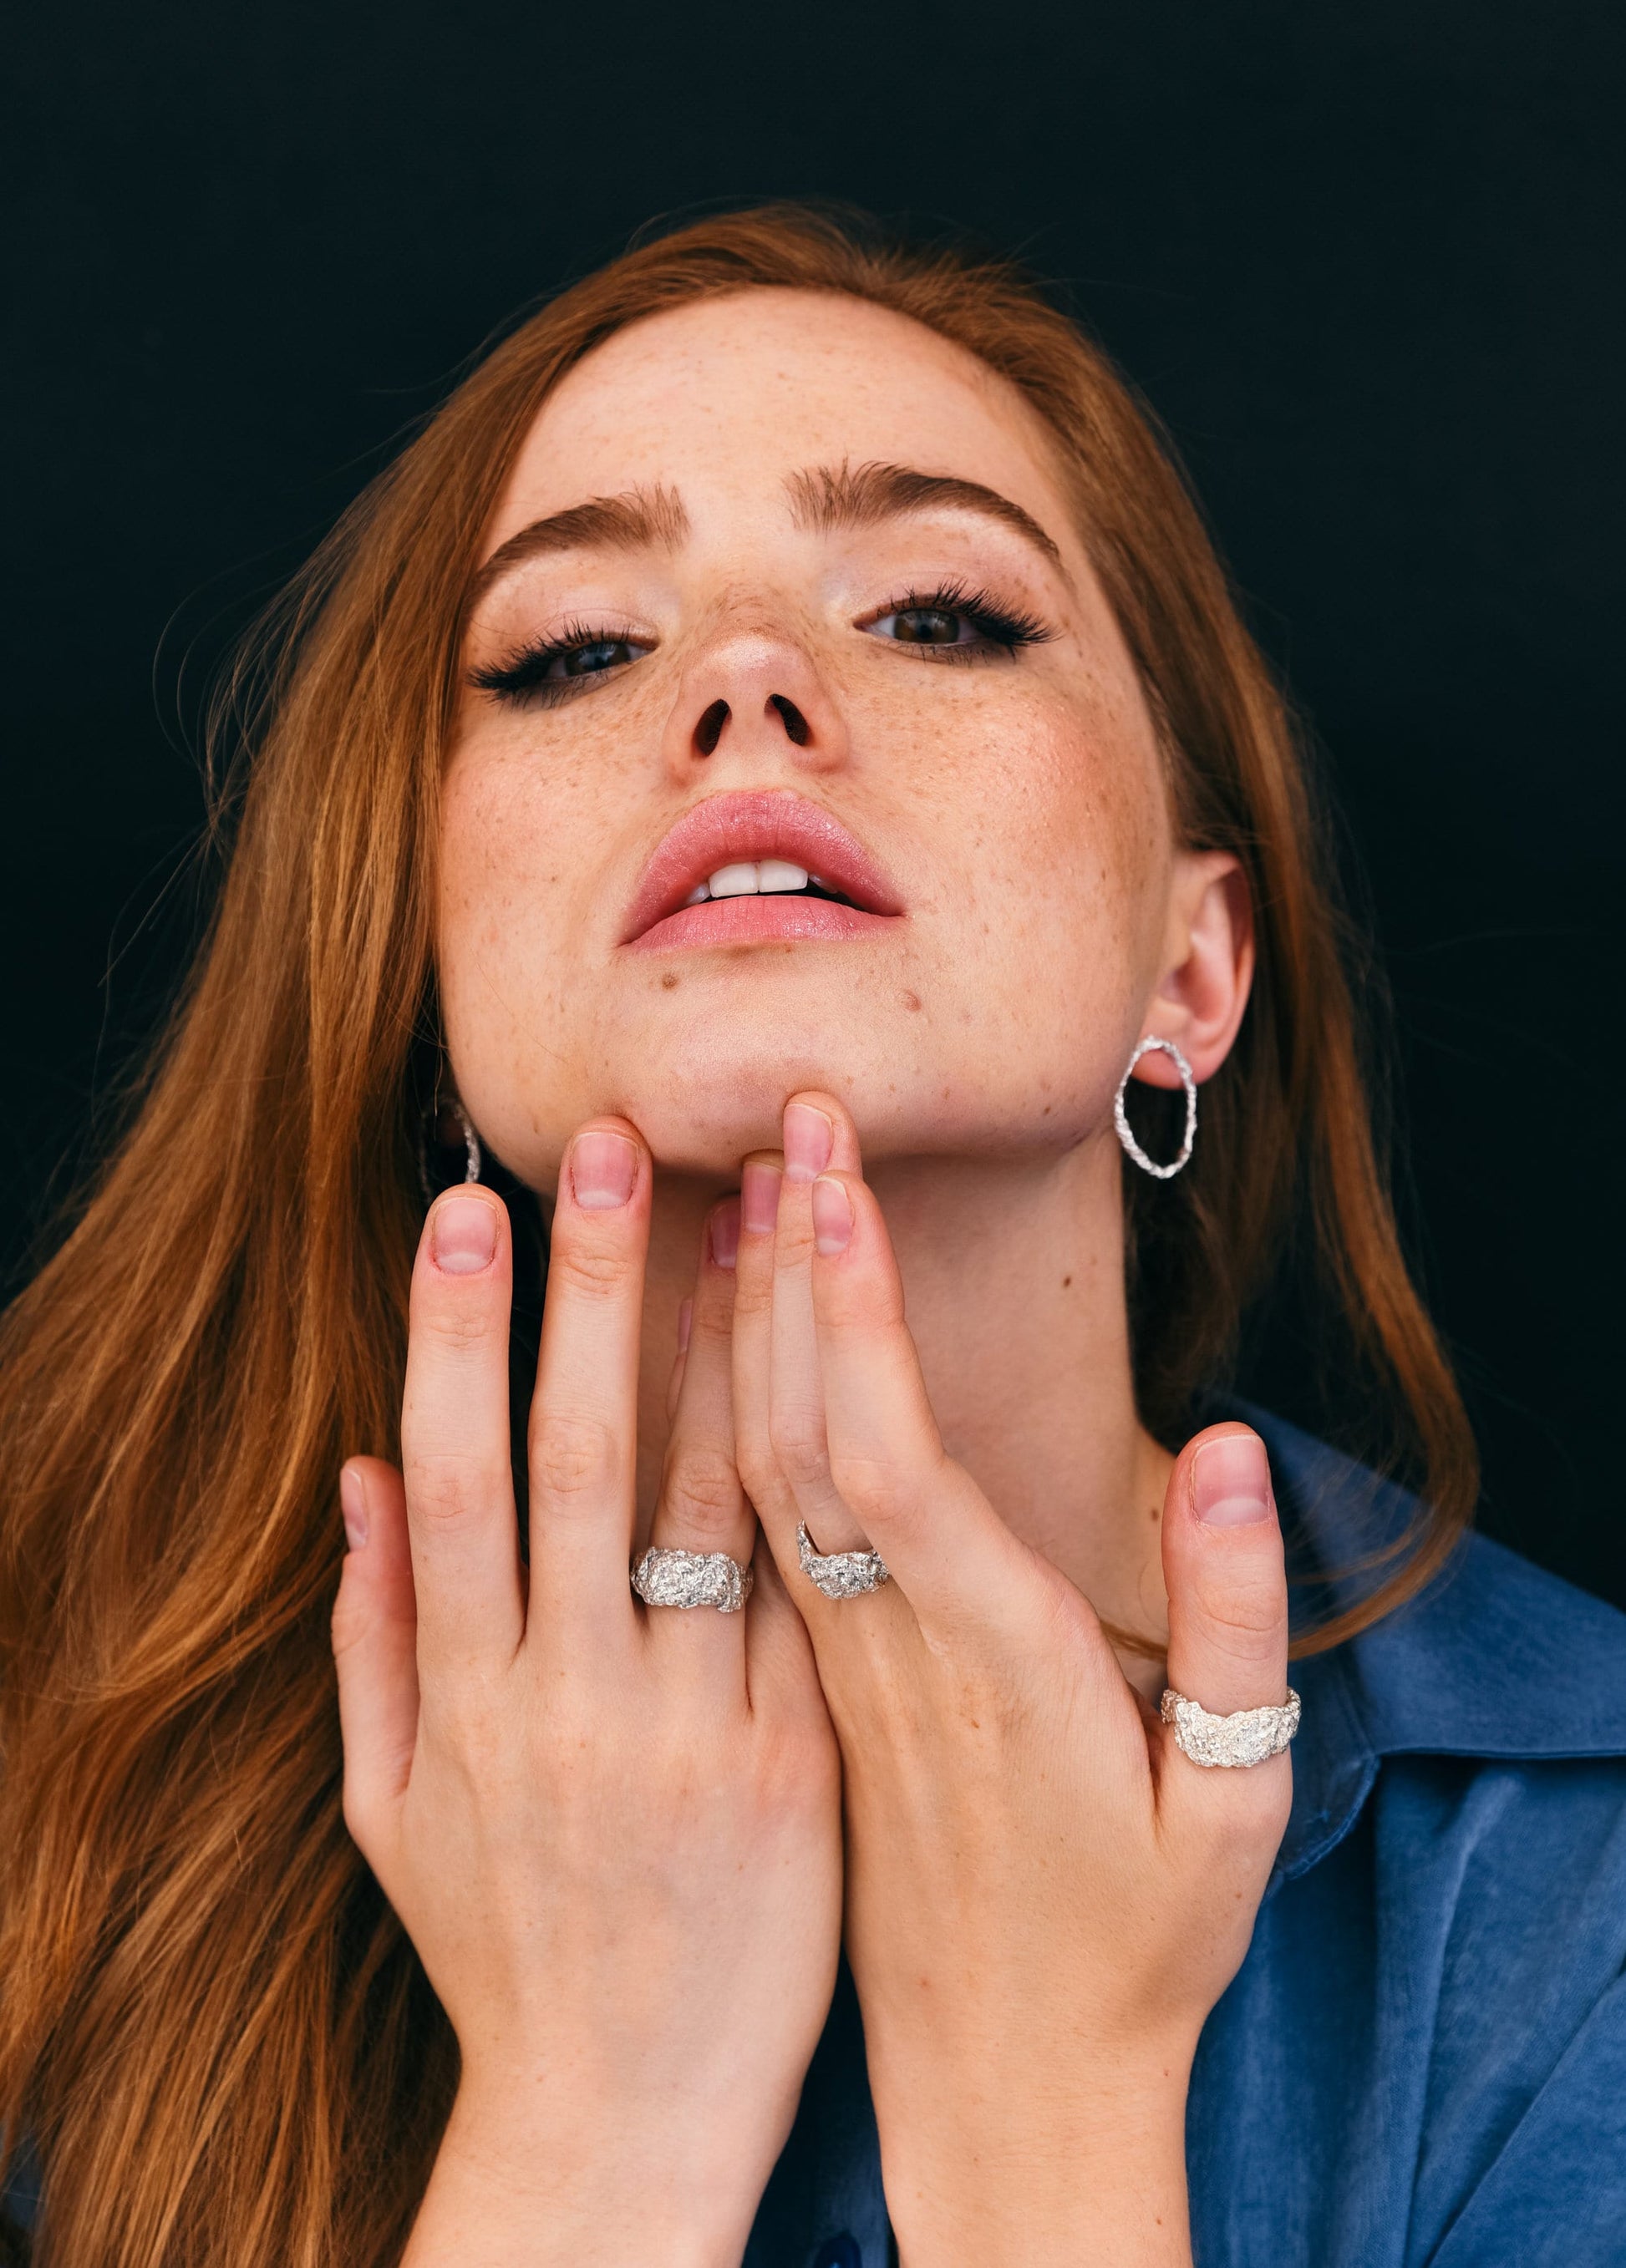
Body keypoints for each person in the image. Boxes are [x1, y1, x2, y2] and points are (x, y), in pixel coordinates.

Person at [1, 205, 1622, 2268]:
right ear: (420, 972)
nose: (744, 683)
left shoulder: (1581, 1900)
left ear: (1192, 968)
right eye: (575, 649)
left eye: (939, 612)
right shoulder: (52, 1845)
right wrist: (593, 2131)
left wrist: (1047, 2115)